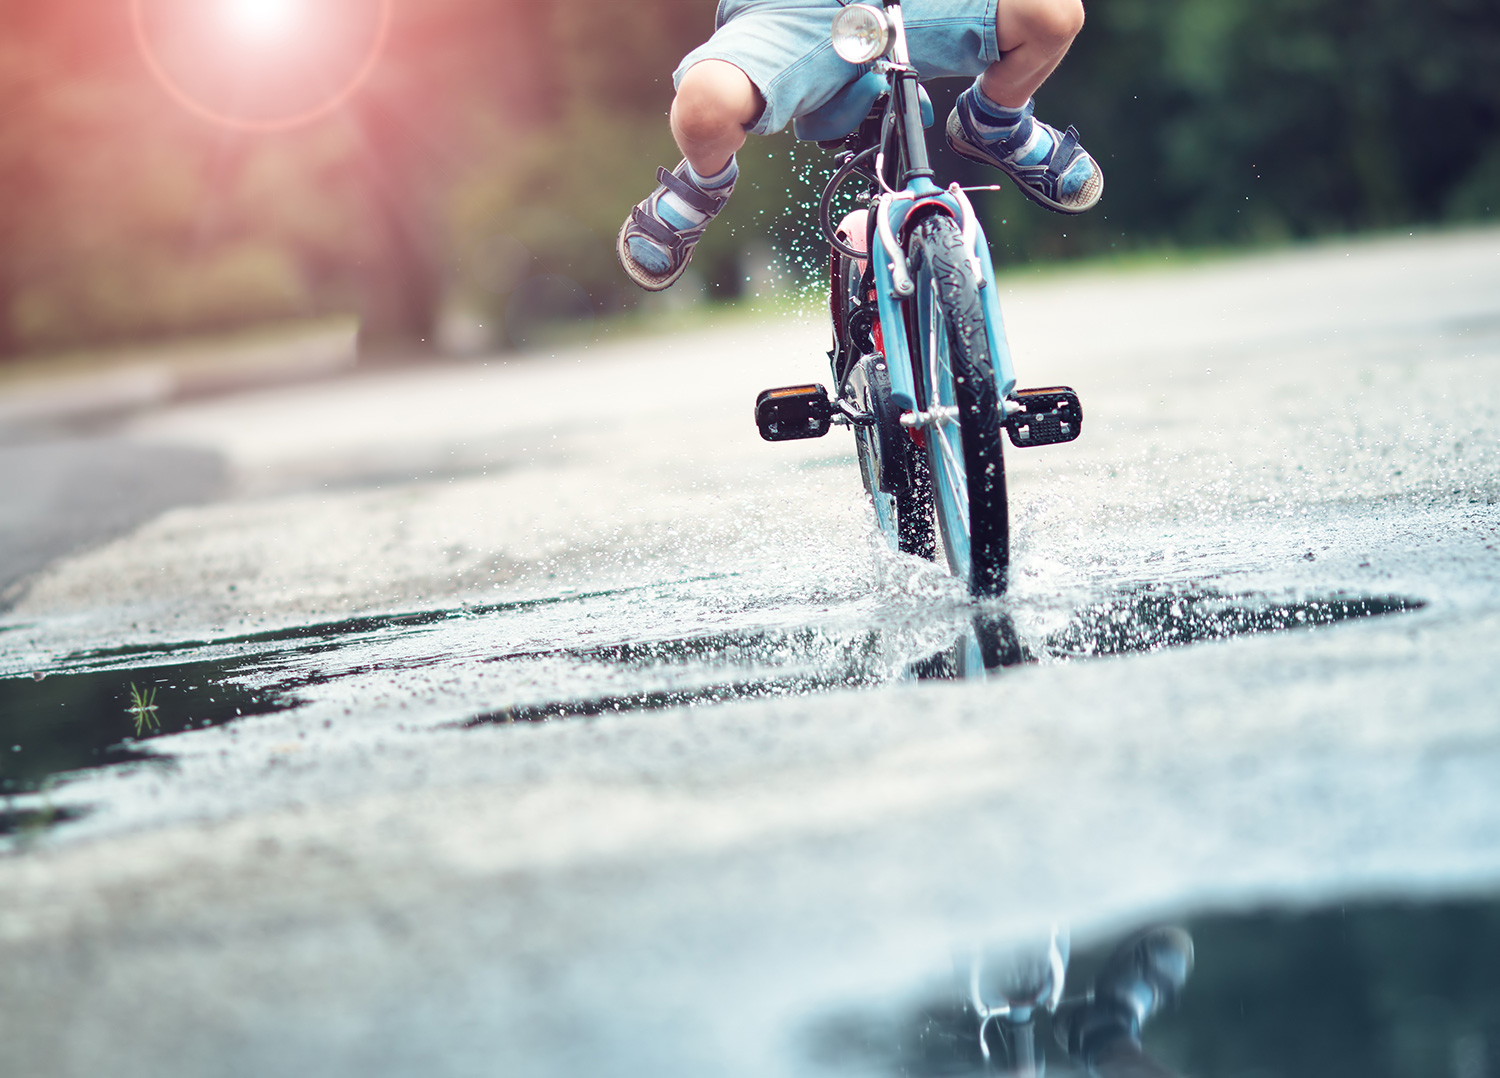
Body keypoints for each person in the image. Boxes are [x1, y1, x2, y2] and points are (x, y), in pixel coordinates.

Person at [617, 0, 1102, 292]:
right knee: (705, 106)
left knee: (1053, 13)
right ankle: (703, 180)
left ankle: (994, 120)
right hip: (788, 12)